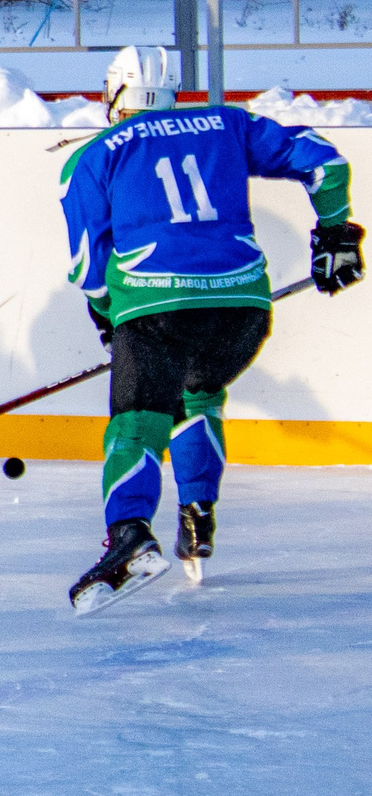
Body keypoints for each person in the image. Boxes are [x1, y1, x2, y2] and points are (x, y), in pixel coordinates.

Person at [58, 46, 361, 612]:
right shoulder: (230, 122)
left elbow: (87, 266)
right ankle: (197, 517)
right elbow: (324, 160)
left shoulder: (95, 155)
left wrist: (107, 318)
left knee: (138, 420)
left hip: (156, 308)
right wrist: (336, 233)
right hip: (242, 310)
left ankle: (128, 535)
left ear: (116, 93)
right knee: (198, 395)